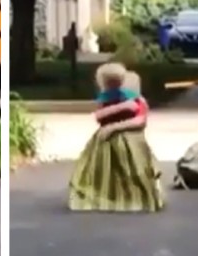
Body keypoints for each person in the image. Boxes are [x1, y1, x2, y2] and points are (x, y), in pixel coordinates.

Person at [68, 62, 165, 212]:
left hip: (126, 140)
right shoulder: (116, 100)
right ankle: (116, 195)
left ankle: (132, 197)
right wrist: (122, 107)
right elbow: (100, 116)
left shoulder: (133, 99)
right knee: (106, 170)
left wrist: (115, 125)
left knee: (132, 169)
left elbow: (140, 120)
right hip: (112, 139)